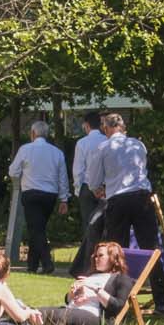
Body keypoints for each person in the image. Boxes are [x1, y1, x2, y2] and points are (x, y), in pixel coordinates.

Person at [84, 114, 164, 313]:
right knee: (152, 250)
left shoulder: (103, 148)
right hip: (142, 198)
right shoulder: (138, 145)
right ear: (123, 127)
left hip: (119, 200)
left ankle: (115, 301)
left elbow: (93, 180)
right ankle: (162, 303)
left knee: (116, 252)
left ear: (106, 129)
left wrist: (97, 189)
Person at [0, 249, 100, 325]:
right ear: (7, 272)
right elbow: (20, 316)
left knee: (14, 324)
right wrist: (30, 312)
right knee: (28, 324)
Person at [7, 121, 69, 275]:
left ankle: (47, 262)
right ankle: (32, 265)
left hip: (31, 193)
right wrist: (64, 199)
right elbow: (63, 178)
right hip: (50, 195)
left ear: (33, 133)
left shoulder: (25, 149)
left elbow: (13, 171)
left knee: (36, 229)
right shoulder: (57, 152)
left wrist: (20, 177)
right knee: (38, 228)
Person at [62, 240, 139, 325]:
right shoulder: (91, 275)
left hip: (94, 317)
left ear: (114, 258)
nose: (96, 259)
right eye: (96, 256)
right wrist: (73, 293)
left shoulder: (122, 279)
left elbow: (117, 306)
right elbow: (68, 300)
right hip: (72, 310)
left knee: (52, 316)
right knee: (46, 314)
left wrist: (95, 288)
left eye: (100, 255)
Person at [67, 112, 108, 277]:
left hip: (87, 186)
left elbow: (78, 169)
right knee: (105, 225)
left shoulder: (82, 143)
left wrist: (78, 189)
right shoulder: (107, 141)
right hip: (105, 187)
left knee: (88, 226)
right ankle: (104, 261)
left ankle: (87, 264)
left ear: (86, 125)